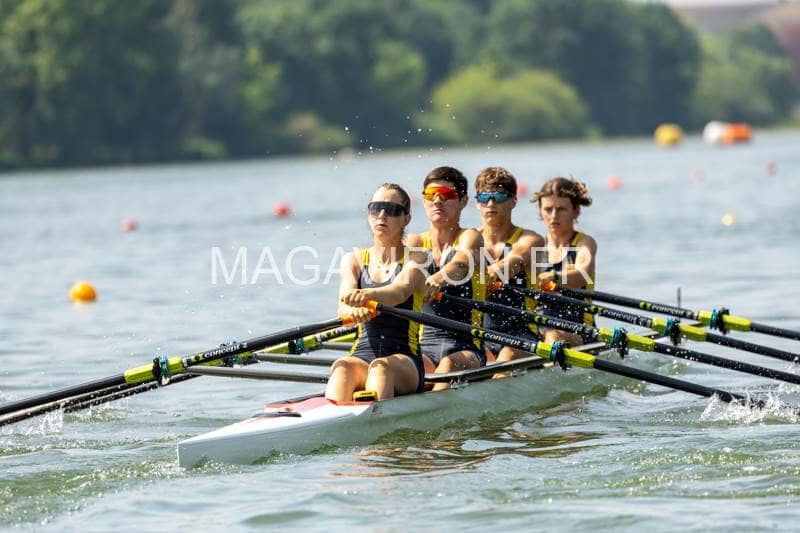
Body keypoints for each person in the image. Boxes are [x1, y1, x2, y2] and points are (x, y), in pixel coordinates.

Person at [326, 183, 427, 402]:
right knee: (341, 367)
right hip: (361, 355)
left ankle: (375, 417)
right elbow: (343, 304)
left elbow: (399, 292)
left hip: (404, 359)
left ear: (406, 219)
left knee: (380, 368)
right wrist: (352, 311)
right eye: (375, 208)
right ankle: (334, 418)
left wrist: (367, 296)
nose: (382, 215)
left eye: (391, 210)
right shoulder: (352, 260)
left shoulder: (418, 258)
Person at [406, 166, 486, 391]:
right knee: (411, 366)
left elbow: (462, 263)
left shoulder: (470, 237)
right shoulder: (414, 243)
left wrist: (440, 277)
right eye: (431, 195)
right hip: (424, 346)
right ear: (424, 200)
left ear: (463, 201)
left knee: (448, 365)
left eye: (447, 195)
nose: (437, 201)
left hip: (468, 346)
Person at [474, 167, 544, 364]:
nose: (490, 204)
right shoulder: (468, 241)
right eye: (484, 197)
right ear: (477, 203)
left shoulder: (531, 240)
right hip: (480, 336)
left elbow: (513, 261)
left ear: (513, 200)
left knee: (507, 355)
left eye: (498, 197)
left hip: (523, 335)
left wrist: (483, 277)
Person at [530, 177, 597, 346]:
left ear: (576, 211)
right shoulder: (535, 247)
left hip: (580, 330)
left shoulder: (584, 244)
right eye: (548, 209)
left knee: (553, 336)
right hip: (540, 329)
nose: (554, 216)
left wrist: (553, 278)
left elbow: (582, 274)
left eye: (561, 209)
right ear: (540, 212)